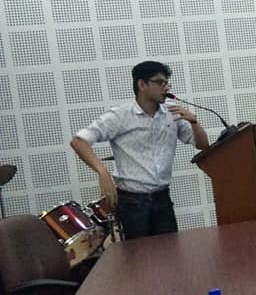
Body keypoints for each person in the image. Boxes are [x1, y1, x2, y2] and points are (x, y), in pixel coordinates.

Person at [70, 61, 210, 240]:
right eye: (160, 82)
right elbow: (79, 141)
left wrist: (194, 122)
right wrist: (102, 171)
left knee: (170, 251)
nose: (166, 87)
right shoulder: (120, 115)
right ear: (142, 84)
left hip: (162, 198)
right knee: (138, 254)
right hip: (132, 203)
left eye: (167, 83)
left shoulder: (172, 112)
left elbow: (202, 145)